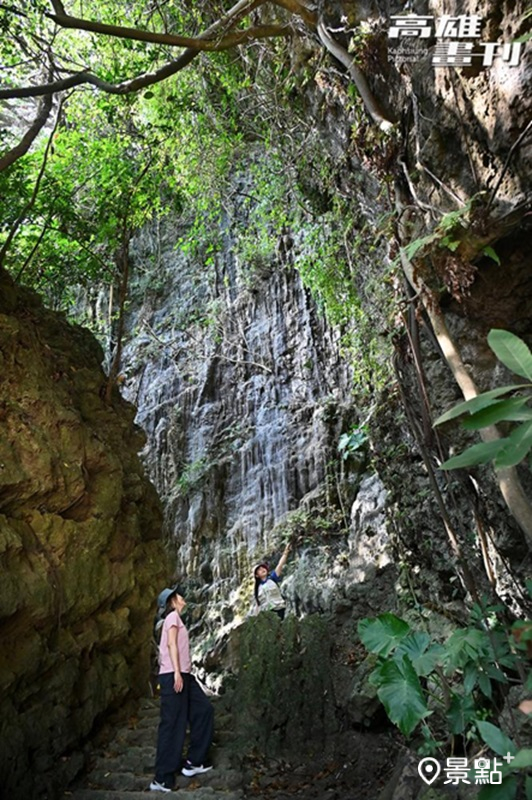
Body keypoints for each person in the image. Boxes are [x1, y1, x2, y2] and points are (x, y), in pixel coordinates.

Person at [150, 585, 214, 793]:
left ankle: (195, 761)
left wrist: (182, 672)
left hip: (185, 676)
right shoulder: (172, 618)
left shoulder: (176, 619)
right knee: (173, 724)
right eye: (179, 596)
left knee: (204, 710)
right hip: (174, 675)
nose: (183, 598)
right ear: (172, 601)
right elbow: (170, 645)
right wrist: (177, 672)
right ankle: (162, 777)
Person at [254, 543, 292, 619]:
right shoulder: (257, 588)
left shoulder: (272, 578)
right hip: (267, 614)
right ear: (257, 575)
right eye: (259, 570)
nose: (262, 570)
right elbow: (258, 604)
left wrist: (285, 553)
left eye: (263, 568)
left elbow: (280, 565)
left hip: (279, 609)